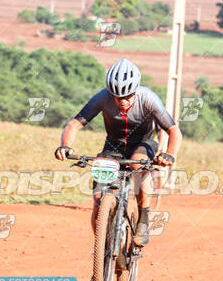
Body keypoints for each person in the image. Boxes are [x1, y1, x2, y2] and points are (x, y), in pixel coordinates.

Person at [54, 58, 182, 246]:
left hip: (143, 144)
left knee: (138, 164)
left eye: (128, 96)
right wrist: (65, 145)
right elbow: (74, 124)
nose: (123, 102)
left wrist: (169, 153)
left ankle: (143, 221)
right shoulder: (102, 98)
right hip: (113, 146)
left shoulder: (148, 98)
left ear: (135, 90)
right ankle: (103, 252)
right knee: (98, 201)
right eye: (118, 97)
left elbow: (173, 131)